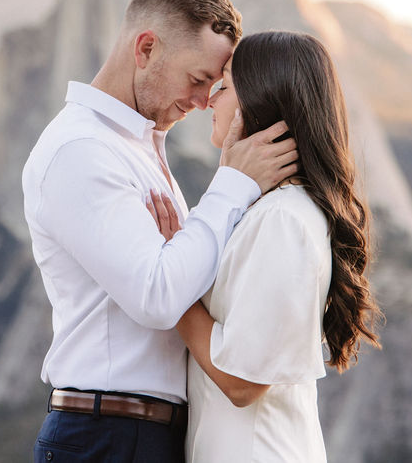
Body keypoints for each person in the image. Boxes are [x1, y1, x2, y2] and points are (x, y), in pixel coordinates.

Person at [22, 0, 299, 463]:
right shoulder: (82, 150)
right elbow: (156, 296)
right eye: (197, 80)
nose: (201, 101)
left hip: (140, 434)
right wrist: (233, 184)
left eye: (214, 87)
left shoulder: (138, 147)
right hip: (106, 435)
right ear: (146, 48)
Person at [148, 31, 384, 463]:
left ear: (260, 103)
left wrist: (172, 287)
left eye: (225, 86)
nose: (209, 101)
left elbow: (243, 383)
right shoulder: (267, 211)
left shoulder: (283, 220)